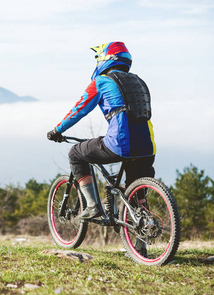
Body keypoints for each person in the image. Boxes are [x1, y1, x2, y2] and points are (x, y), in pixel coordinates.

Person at [47, 41, 156, 221]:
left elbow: (79, 110)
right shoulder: (139, 81)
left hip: (121, 145)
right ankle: (140, 244)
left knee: (76, 152)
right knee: (137, 196)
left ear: (105, 59)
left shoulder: (102, 81)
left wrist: (57, 130)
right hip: (147, 146)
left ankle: (92, 206)